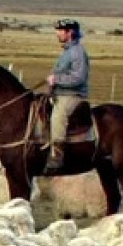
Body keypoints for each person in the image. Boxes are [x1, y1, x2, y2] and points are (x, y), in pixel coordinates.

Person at [43, 18, 89, 169]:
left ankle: (57, 155)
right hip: (60, 93)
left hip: (72, 95)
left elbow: (79, 77)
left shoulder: (78, 52)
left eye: (60, 31)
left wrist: (57, 79)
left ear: (70, 32)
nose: (57, 34)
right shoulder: (67, 51)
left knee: (58, 116)